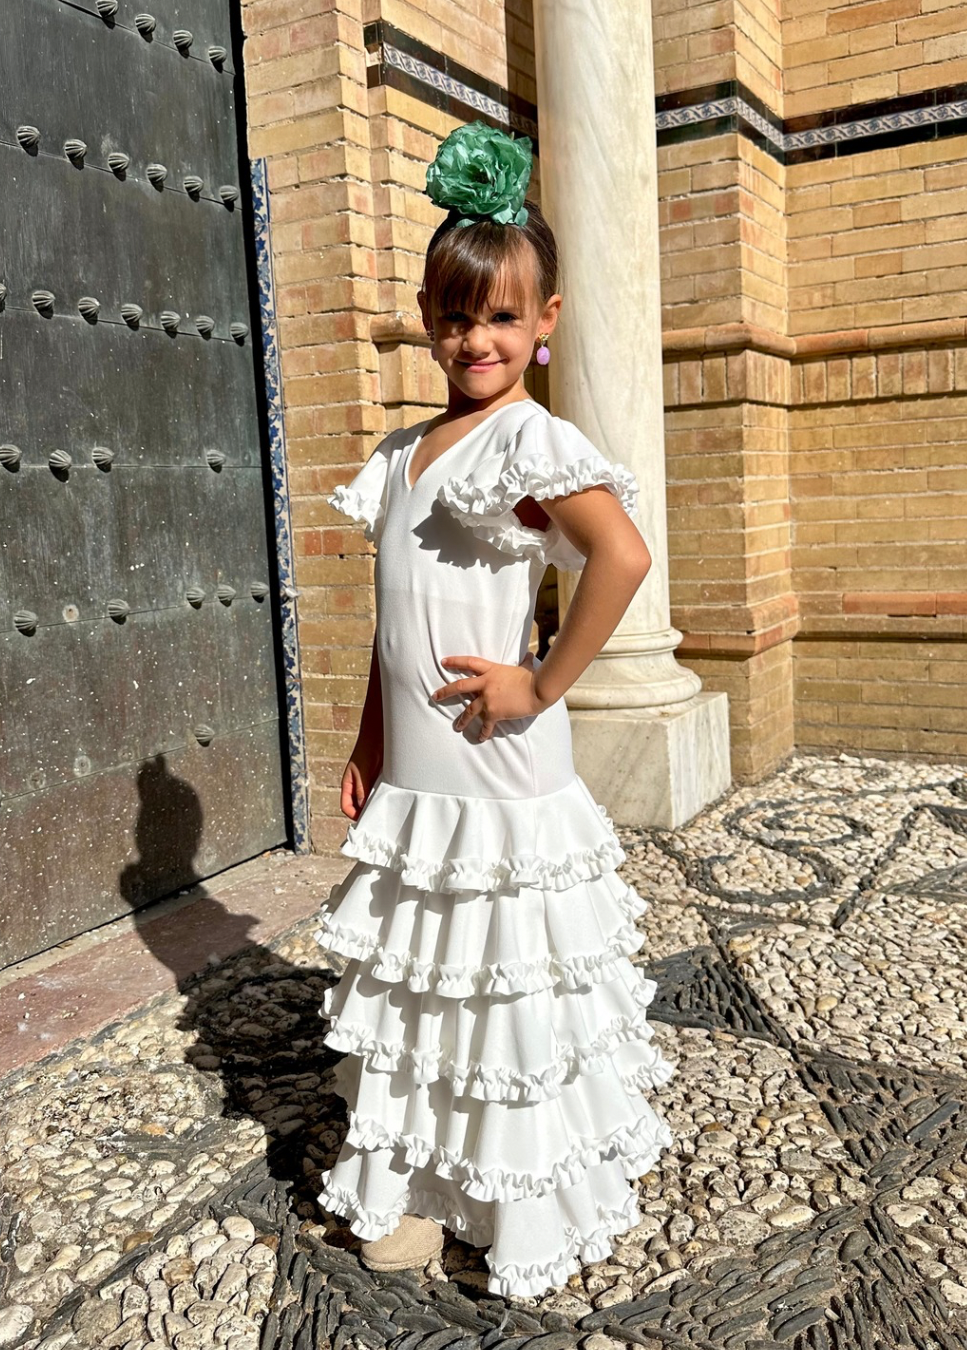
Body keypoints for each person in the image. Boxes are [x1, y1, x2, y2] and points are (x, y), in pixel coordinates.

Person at [316, 120, 677, 1300]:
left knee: (505, 980)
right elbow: (391, 618)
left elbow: (618, 557)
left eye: (504, 318)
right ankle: (421, 1189)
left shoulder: (528, 439)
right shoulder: (406, 451)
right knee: (428, 978)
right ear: (429, 316)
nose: (478, 339)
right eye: (458, 316)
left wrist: (542, 680)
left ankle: (518, 1200)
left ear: (546, 321)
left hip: (499, 767)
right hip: (423, 776)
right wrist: (371, 740)